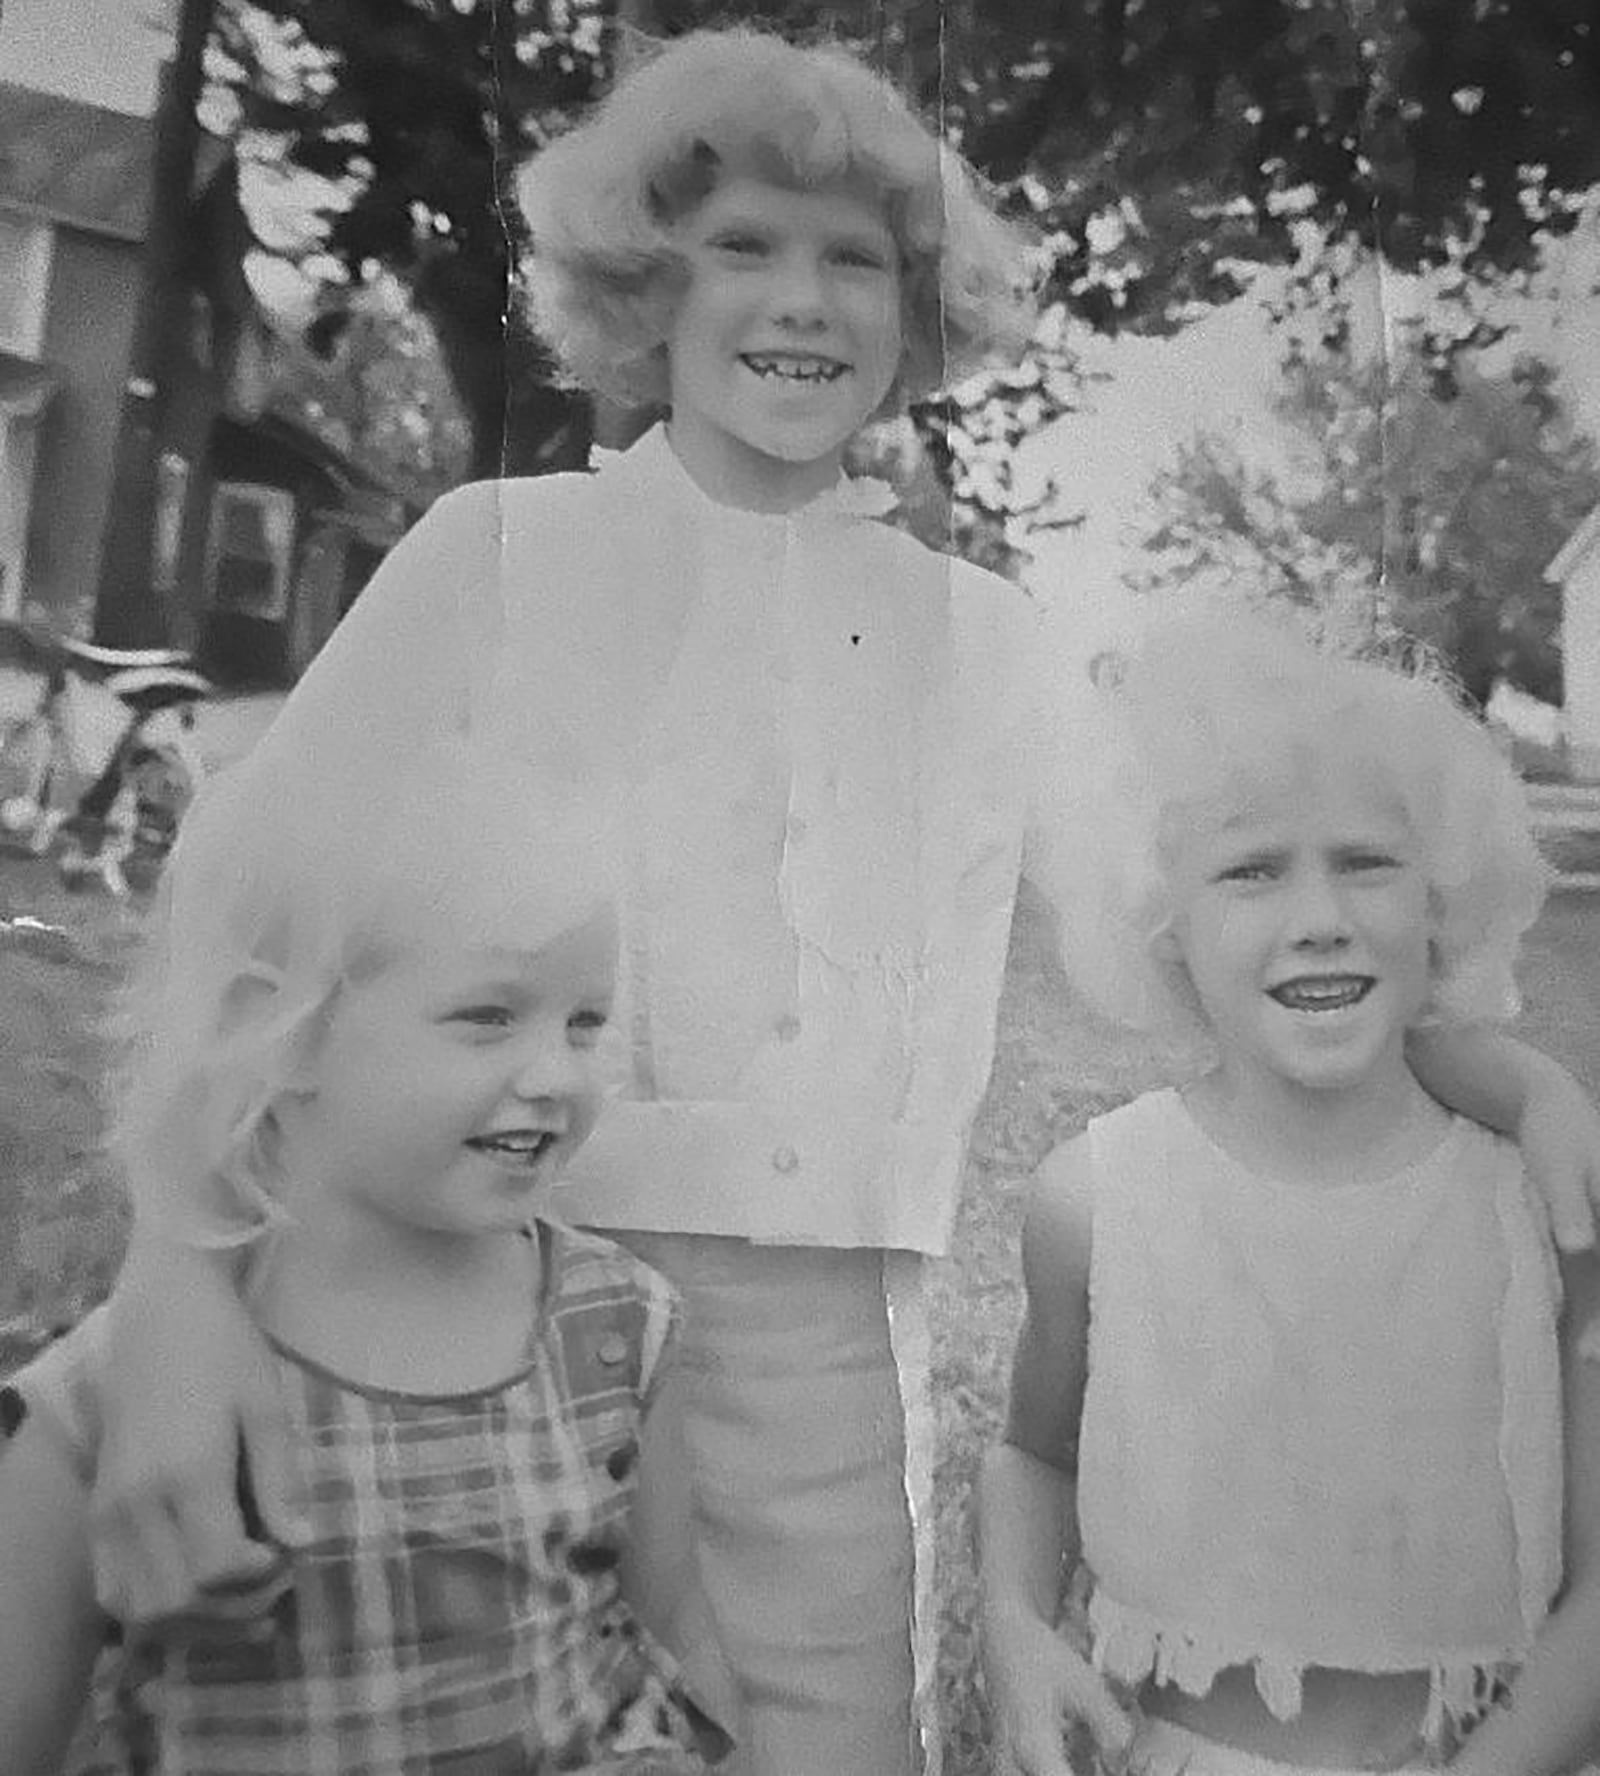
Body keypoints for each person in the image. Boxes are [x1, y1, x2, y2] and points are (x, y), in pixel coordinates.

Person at [80, 28, 1600, 1776]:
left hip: (820, 1363)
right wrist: (188, 1296)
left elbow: (1230, 922)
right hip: (483, 1298)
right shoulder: (497, 556)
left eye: (855, 258)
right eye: (742, 244)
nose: (800, 299)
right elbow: (240, 907)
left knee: (825, 1735)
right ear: (646, 278)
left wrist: (1512, 1079)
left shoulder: (985, 640)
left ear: (920, 304)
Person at [0, 740, 735, 1774]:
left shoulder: (618, 1328)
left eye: (584, 1024)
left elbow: (680, 1636)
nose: (559, 1075)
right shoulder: (116, 1406)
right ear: (280, 1034)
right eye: (489, 1016)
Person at [979, 615, 1600, 1776]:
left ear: (1443, 897)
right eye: (1250, 869)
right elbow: (1034, 1455)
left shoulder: (1542, 1205)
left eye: (1365, 859)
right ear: (1165, 923)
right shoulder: (1096, 1202)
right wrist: (1014, 1620)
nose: (1318, 916)